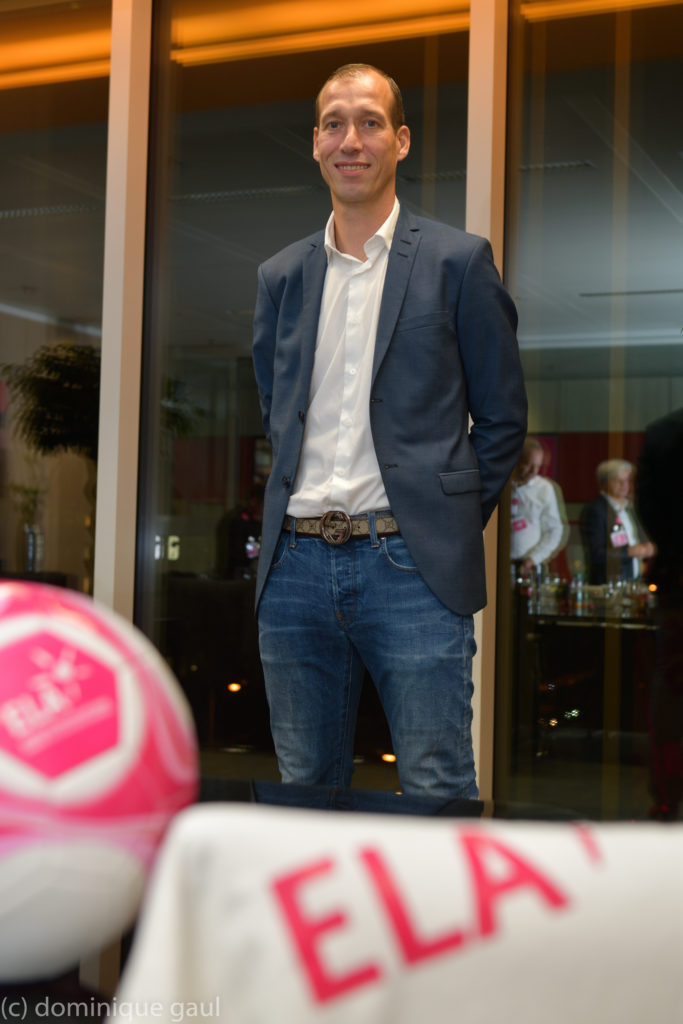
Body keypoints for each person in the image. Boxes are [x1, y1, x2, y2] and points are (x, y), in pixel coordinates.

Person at [252, 63, 527, 799]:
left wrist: (442, 523)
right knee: (303, 792)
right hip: (294, 568)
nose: (351, 140)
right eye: (334, 124)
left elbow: (503, 417)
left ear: (400, 141)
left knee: (437, 787)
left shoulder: (457, 263)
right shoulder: (280, 277)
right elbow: (276, 409)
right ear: (315, 143)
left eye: (369, 122)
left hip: (410, 567)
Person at [636, 410, 682, 819]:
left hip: (677, 583)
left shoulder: (664, 433)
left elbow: (649, 510)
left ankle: (667, 796)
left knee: (671, 692)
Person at [579, 459, 654, 585]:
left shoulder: (629, 508)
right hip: (608, 585)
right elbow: (596, 554)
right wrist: (630, 552)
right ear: (603, 483)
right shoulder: (595, 510)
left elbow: (637, 539)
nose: (624, 485)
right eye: (618, 480)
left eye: (627, 480)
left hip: (632, 581)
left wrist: (647, 548)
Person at [510, 437, 567, 575]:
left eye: (538, 466)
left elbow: (554, 530)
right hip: (500, 563)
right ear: (516, 460)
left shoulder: (544, 488)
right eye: (528, 464)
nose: (533, 471)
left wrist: (533, 559)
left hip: (531, 566)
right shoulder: (503, 486)